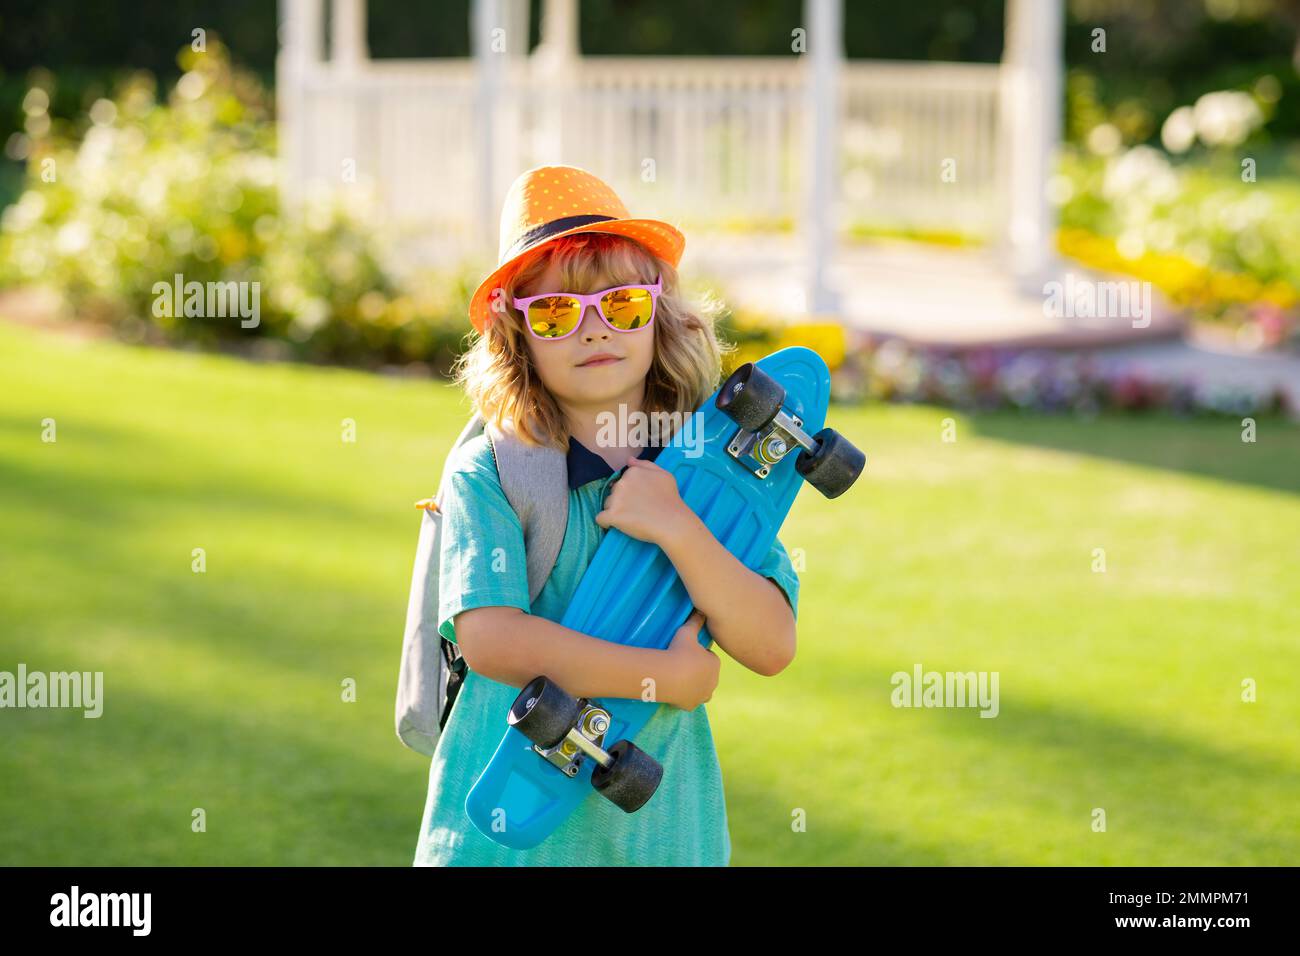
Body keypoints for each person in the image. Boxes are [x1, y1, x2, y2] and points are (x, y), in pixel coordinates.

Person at [412, 165, 800, 866]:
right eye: (557, 313)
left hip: (659, 836)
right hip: (505, 839)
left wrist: (677, 525)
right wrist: (664, 677)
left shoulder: (710, 472)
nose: (593, 329)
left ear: (659, 313)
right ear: (516, 334)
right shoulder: (491, 474)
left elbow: (770, 644)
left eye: (620, 305)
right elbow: (492, 640)